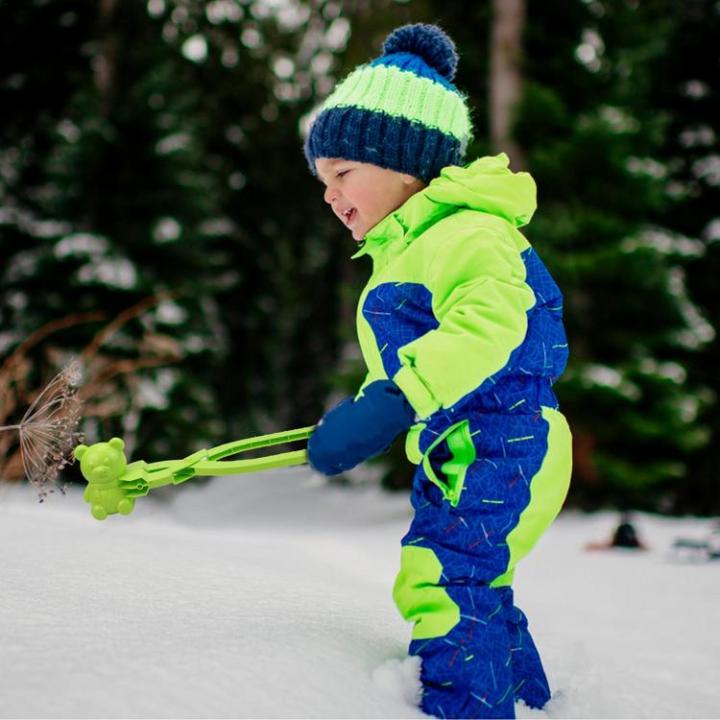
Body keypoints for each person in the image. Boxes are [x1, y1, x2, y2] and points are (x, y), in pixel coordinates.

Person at [303, 23, 572, 720]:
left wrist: (398, 398)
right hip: (474, 444)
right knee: (476, 579)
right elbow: (406, 366)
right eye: (322, 181)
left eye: (342, 173)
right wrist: (367, 410)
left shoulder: (468, 233)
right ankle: (529, 702)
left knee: (442, 577)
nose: (330, 195)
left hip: (505, 439)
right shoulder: (407, 253)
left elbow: (491, 323)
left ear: (401, 162)